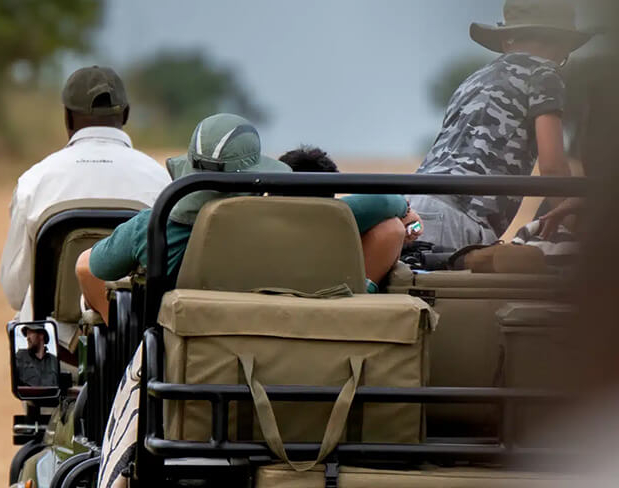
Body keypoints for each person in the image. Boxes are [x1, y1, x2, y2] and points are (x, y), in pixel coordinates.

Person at [75, 113, 292, 323]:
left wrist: (119, 327)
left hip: (183, 344)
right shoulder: (281, 231)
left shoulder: (154, 226)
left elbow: (88, 268)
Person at [410, 0, 592, 250]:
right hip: (459, 217)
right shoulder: (544, 75)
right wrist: (575, 228)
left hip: (412, 207)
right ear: (562, 44)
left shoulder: (473, 80)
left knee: (412, 274)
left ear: (507, 40)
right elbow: (553, 167)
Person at [0, 66, 171, 322]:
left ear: (67, 117)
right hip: (135, 339)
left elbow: (15, 292)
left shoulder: (34, 181)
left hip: (55, 340)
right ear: (126, 114)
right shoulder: (162, 182)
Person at [278, 146, 423, 286]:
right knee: (392, 227)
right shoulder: (334, 215)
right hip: (327, 293)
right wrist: (407, 212)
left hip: (270, 290)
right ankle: (364, 291)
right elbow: (384, 201)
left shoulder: (266, 216)